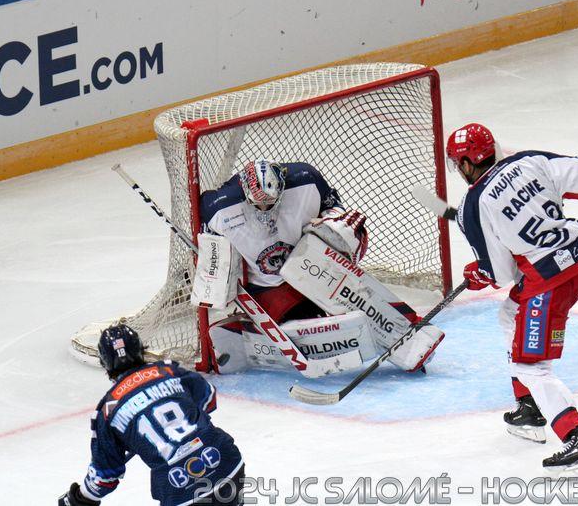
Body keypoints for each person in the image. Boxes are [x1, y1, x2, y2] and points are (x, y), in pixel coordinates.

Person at [444, 123, 578, 477]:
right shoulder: (528, 160)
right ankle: (528, 407)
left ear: (467, 163)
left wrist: (480, 274)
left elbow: (500, 273)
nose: (458, 169)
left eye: (458, 163)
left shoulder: (473, 204)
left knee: (532, 366)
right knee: (510, 315)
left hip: (550, 280)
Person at [198, 159, 443, 374]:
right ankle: (249, 328)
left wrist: (334, 222)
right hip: (267, 288)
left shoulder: (306, 179)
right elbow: (211, 252)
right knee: (307, 332)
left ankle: (410, 336)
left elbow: (333, 207)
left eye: (271, 202)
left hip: (312, 266)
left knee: (352, 290)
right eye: (258, 204)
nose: (265, 210)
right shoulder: (218, 207)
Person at [59, 324, 244, 506]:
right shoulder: (167, 371)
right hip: (226, 462)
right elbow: (209, 398)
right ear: (140, 349)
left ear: (104, 362)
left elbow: (104, 477)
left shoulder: (108, 411)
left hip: (180, 489)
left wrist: (79, 498)